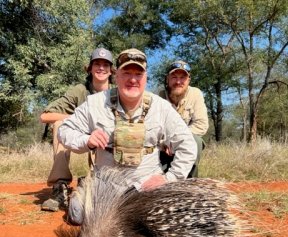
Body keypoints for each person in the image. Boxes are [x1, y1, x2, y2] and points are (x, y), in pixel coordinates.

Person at [58, 48, 197, 196]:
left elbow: (187, 144)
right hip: (105, 185)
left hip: (146, 186)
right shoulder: (95, 103)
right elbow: (64, 131)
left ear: (146, 78)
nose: (133, 80)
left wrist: (169, 178)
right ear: (116, 76)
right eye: (126, 73)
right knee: (78, 213)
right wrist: (87, 140)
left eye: (138, 74)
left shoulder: (161, 106)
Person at [40, 47, 114, 212]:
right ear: (90, 68)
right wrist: (79, 120)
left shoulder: (117, 92)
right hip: (82, 136)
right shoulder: (80, 90)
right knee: (60, 125)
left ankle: (94, 181)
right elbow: (45, 116)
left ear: (111, 71)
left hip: (106, 143)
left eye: (105, 65)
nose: (101, 68)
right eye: (97, 64)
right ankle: (60, 186)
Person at [159, 60, 209, 177]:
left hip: (186, 140)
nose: (178, 81)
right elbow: (153, 127)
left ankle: (190, 183)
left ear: (189, 80)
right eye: (174, 77)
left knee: (195, 141)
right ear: (167, 79)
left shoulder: (196, 94)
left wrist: (178, 139)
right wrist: (164, 142)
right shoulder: (158, 96)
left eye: (183, 78)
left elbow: (201, 125)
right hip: (164, 144)